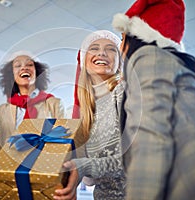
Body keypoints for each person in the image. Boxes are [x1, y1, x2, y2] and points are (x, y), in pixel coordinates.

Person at [112, 0, 195, 199]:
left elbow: (151, 139)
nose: (119, 47)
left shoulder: (148, 57)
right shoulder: (173, 63)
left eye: (122, 38)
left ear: (134, 39)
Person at [54, 30, 126, 200]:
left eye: (111, 49)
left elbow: (138, 157)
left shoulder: (123, 93)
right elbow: (91, 179)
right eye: (94, 48)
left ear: (119, 62)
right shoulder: (87, 112)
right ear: (84, 61)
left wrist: (83, 166)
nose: (101, 53)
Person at [0, 51, 65, 200]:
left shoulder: (54, 104)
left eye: (29, 65)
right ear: (11, 75)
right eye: (18, 66)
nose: (24, 68)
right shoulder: (2, 111)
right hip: (8, 182)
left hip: (42, 181)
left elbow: (62, 147)